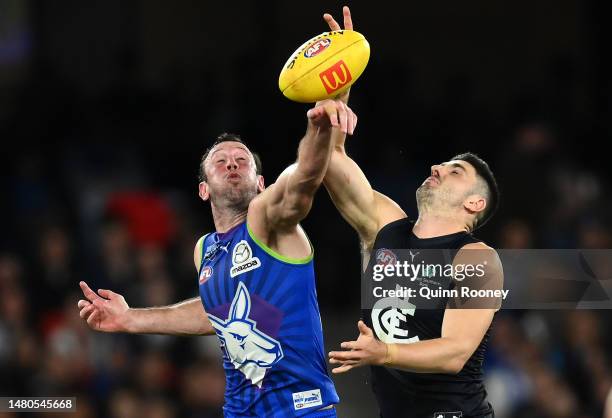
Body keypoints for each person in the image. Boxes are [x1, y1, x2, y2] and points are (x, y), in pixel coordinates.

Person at [77, 98, 358, 417]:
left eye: (242, 159)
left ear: (261, 184)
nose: (232, 163)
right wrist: (130, 318)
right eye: (220, 161)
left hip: (298, 410)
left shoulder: (268, 220)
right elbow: (217, 313)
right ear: (203, 189)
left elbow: (302, 180)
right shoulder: (205, 248)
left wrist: (318, 128)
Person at [322, 7, 503, 418]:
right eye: (441, 164)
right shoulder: (385, 225)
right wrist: (337, 91)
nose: (436, 167)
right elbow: (332, 159)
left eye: (455, 171)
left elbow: (455, 353)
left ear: (475, 203)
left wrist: (382, 351)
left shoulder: (478, 258)